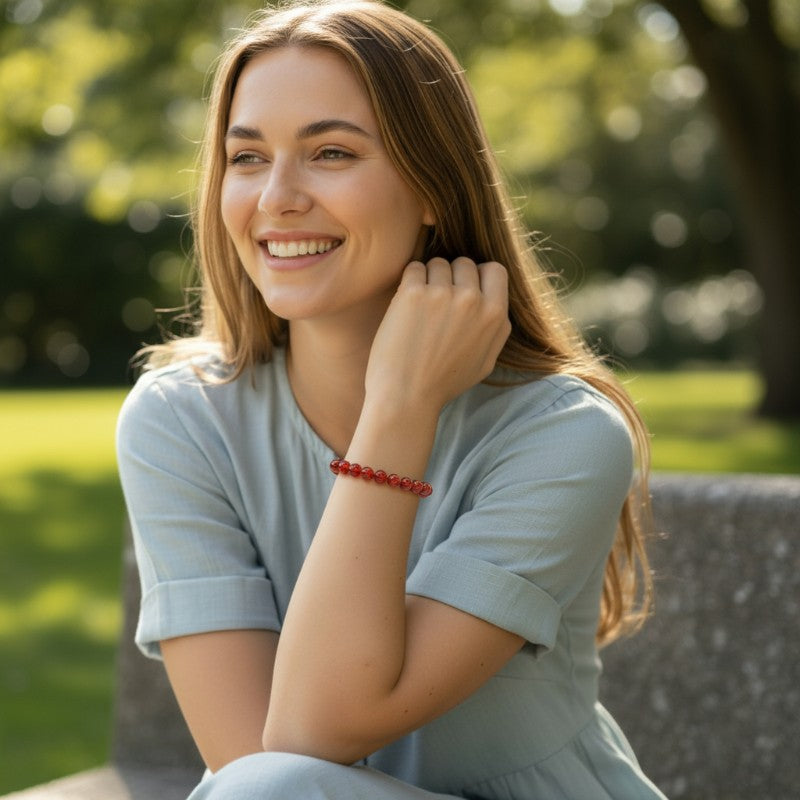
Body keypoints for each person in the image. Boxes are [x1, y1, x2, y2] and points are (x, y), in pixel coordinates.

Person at [116, 1, 668, 797]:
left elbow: (309, 735)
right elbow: (263, 761)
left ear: (434, 185)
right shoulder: (180, 420)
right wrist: (397, 409)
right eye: (246, 158)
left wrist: (400, 408)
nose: (277, 197)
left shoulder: (566, 434)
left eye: (330, 152)